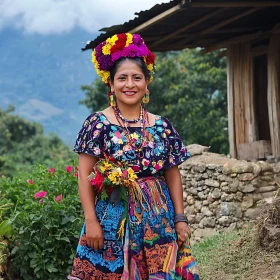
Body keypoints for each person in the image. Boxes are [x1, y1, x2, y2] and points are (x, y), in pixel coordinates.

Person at [68, 33, 199, 280]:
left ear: (147, 82)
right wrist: (91, 221)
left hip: (159, 220)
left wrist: (180, 219)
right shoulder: (97, 124)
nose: (130, 84)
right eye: (122, 78)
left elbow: (172, 174)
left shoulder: (162, 126)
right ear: (111, 84)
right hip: (112, 219)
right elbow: (83, 174)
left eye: (137, 78)